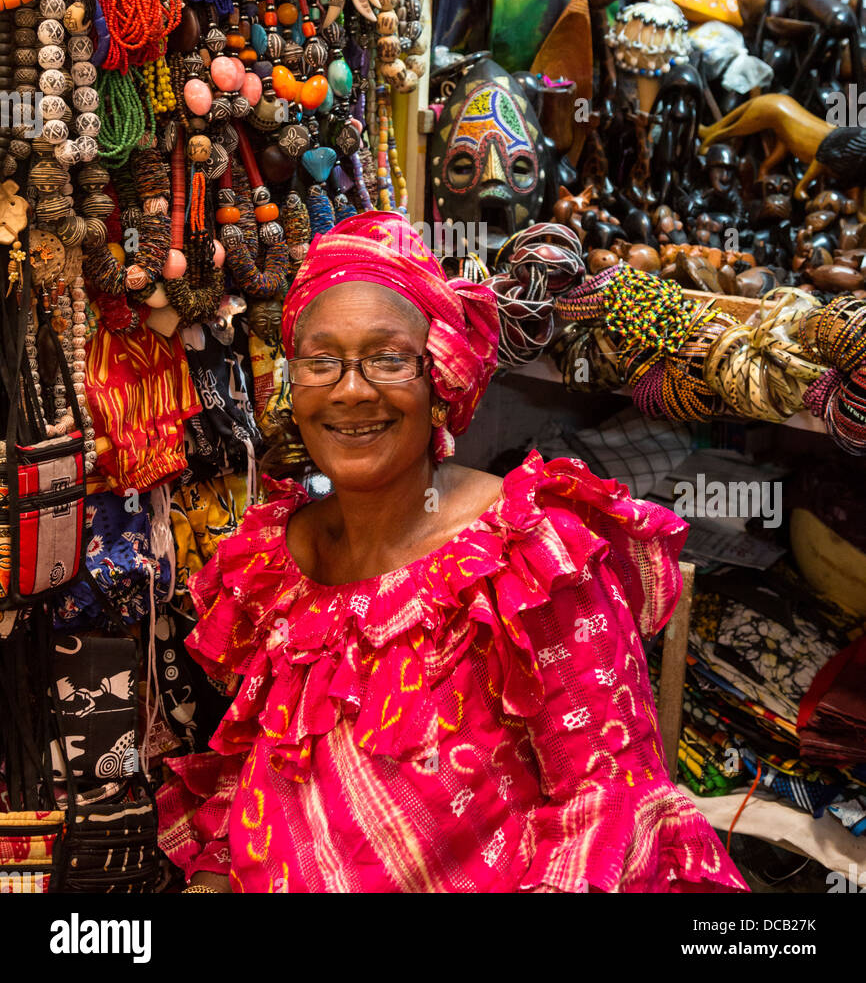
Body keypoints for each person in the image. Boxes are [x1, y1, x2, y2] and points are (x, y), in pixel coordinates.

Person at [157, 212, 748, 894]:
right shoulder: (272, 568)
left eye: (386, 358)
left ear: (441, 377)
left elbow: (609, 799)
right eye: (323, 361)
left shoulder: (522, 555)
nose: (352, 389)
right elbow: (251, 786)